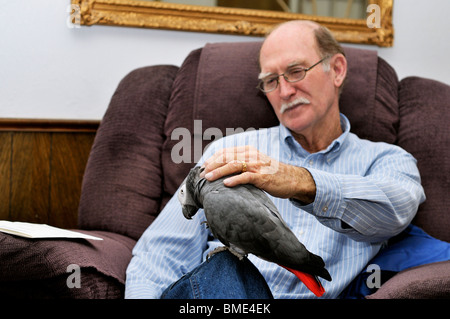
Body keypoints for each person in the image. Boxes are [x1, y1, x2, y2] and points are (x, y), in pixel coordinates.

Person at [125, 20, 425, 299]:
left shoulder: (386, 159)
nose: (284, 91)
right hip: (219, 295)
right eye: (270, 80)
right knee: (224, 267)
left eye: (296, 71)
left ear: (337, 70)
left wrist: (298, 181)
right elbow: (160, 255)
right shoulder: (230, 150)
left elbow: (396, 208)